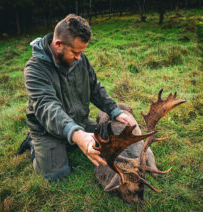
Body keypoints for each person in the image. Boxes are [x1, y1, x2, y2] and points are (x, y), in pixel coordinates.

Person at [24, 14, 135, 182]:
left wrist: (114, 111)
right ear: (58, 44)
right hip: (47, 130)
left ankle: (74, 137)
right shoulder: (34, 69)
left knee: (108, 144)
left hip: (79, 121)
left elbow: (94, 87)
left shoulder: (80, 59)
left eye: (81, 52)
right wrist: (77, 134)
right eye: (75, 52)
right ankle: (33, 144)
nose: (79, 57)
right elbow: (47, 107)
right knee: (56, 176)